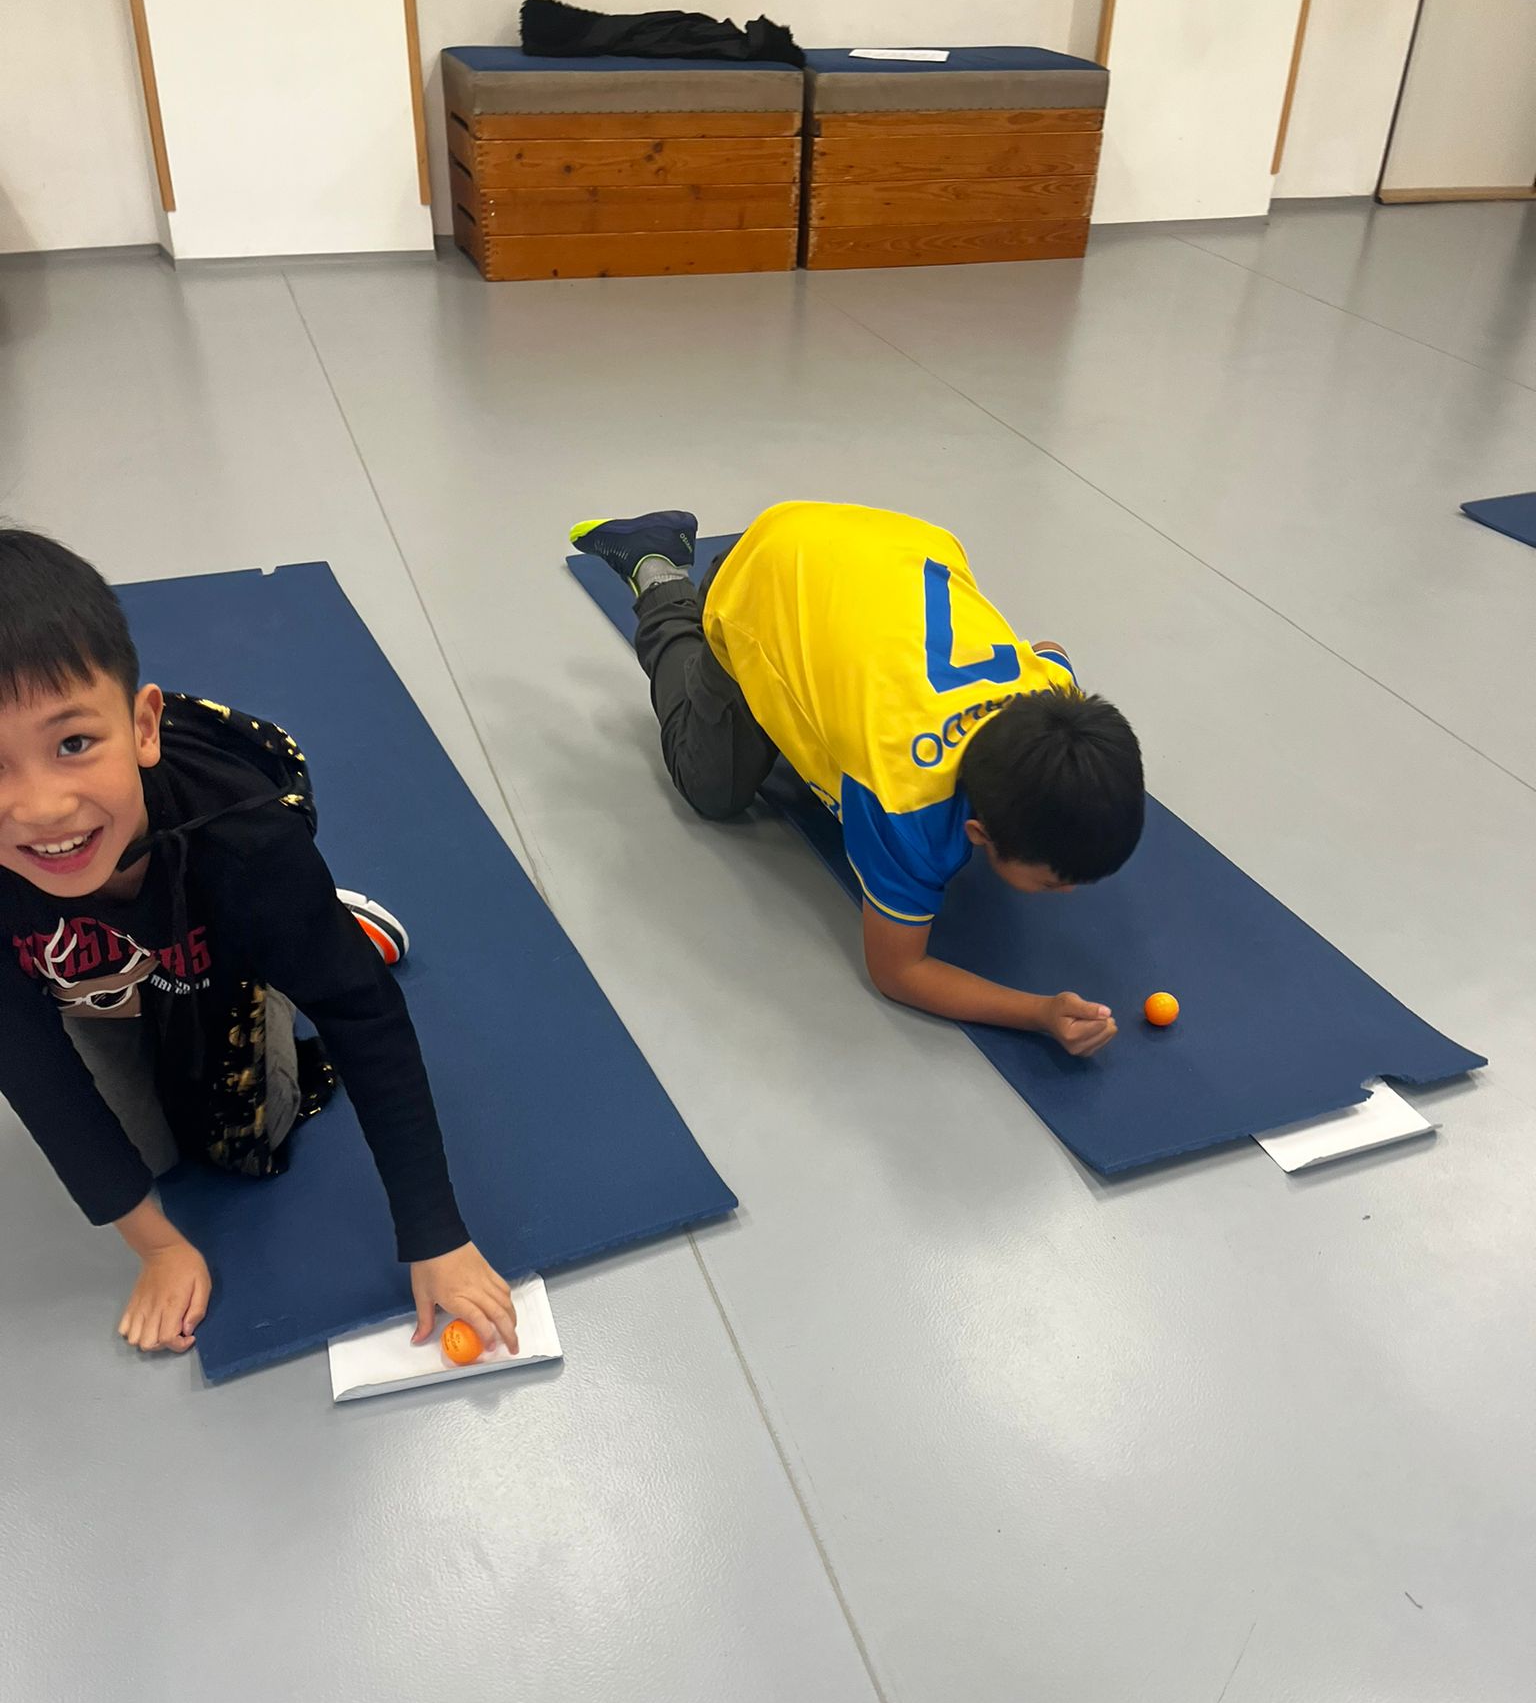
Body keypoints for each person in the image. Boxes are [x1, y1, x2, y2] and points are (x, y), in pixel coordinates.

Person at [0, 528, 517, 1357]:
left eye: (73, 744)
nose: (40, 808)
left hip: (219, 932)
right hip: (94, 969)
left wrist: (436, 1236)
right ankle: (269, 934)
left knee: (247, 1141)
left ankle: (321, 924)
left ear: (142, 727)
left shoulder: (243, 847)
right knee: (149, 1159)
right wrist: (159, 1248)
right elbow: (31, 1069)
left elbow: (363, 1017)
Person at [572, 501, 1145, 1056]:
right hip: (768, 565)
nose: (1067, 893)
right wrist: (1039, 1013)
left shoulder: (1052, 696)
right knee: (711, 788)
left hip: (891, 543)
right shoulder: (904, 801)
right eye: (1052, 882)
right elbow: (899, 971)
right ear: (977, 832)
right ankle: (656, 568)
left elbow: (1049, 650)